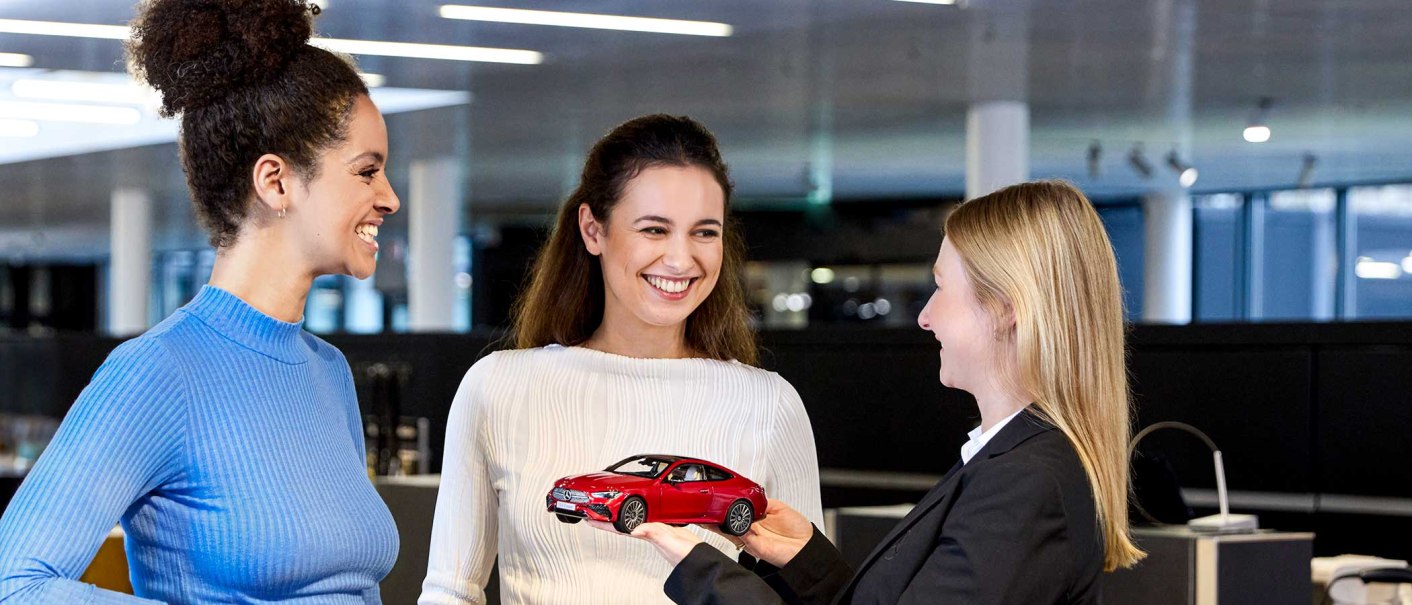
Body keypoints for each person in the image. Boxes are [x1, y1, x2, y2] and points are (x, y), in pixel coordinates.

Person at [0, 1, 401, 602]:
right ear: (276, 182)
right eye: (367, 172)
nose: (389, 198)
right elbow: (16, 582)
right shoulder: (158, 372)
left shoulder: (328, 371)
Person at [618, 180, 1146, 604]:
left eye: (941, 288)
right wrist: (805, 559)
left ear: (1007, 308)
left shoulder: (1023, 484)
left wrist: (702, 571)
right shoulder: (1010, 463)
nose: (925, 317)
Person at [418, 114, 823, 605]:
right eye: (654, 229)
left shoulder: (769, 402)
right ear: (593, 229)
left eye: (704, 232)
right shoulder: (498, 386)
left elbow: (810, 591)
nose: (680, 259)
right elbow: (451, 591)